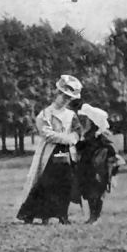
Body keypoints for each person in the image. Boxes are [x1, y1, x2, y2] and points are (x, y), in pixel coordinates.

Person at [17, 75, 82, 225]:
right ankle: (37, 214)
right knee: (45, 183)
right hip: (49, 152)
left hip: (66, 153)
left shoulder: (71, 115)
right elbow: (46, 133)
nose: (65, 100)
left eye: (69, 98)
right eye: (63, 96)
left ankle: (62, 215)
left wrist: (73, 138)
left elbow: (77, 132)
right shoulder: (46, 114)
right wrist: (66, 138)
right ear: (57, 94)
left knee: (65, 183)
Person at [74, 103, 125, 223]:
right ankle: (92, 215)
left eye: (87, 119)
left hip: (98, 168)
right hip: (87, 166)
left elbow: (112, 148)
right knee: (88, 191)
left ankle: (95, 216)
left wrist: (110, 158)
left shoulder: (102, 134)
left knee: (97, 192)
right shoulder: (88, 133)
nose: (84, 121)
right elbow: (82, 147)